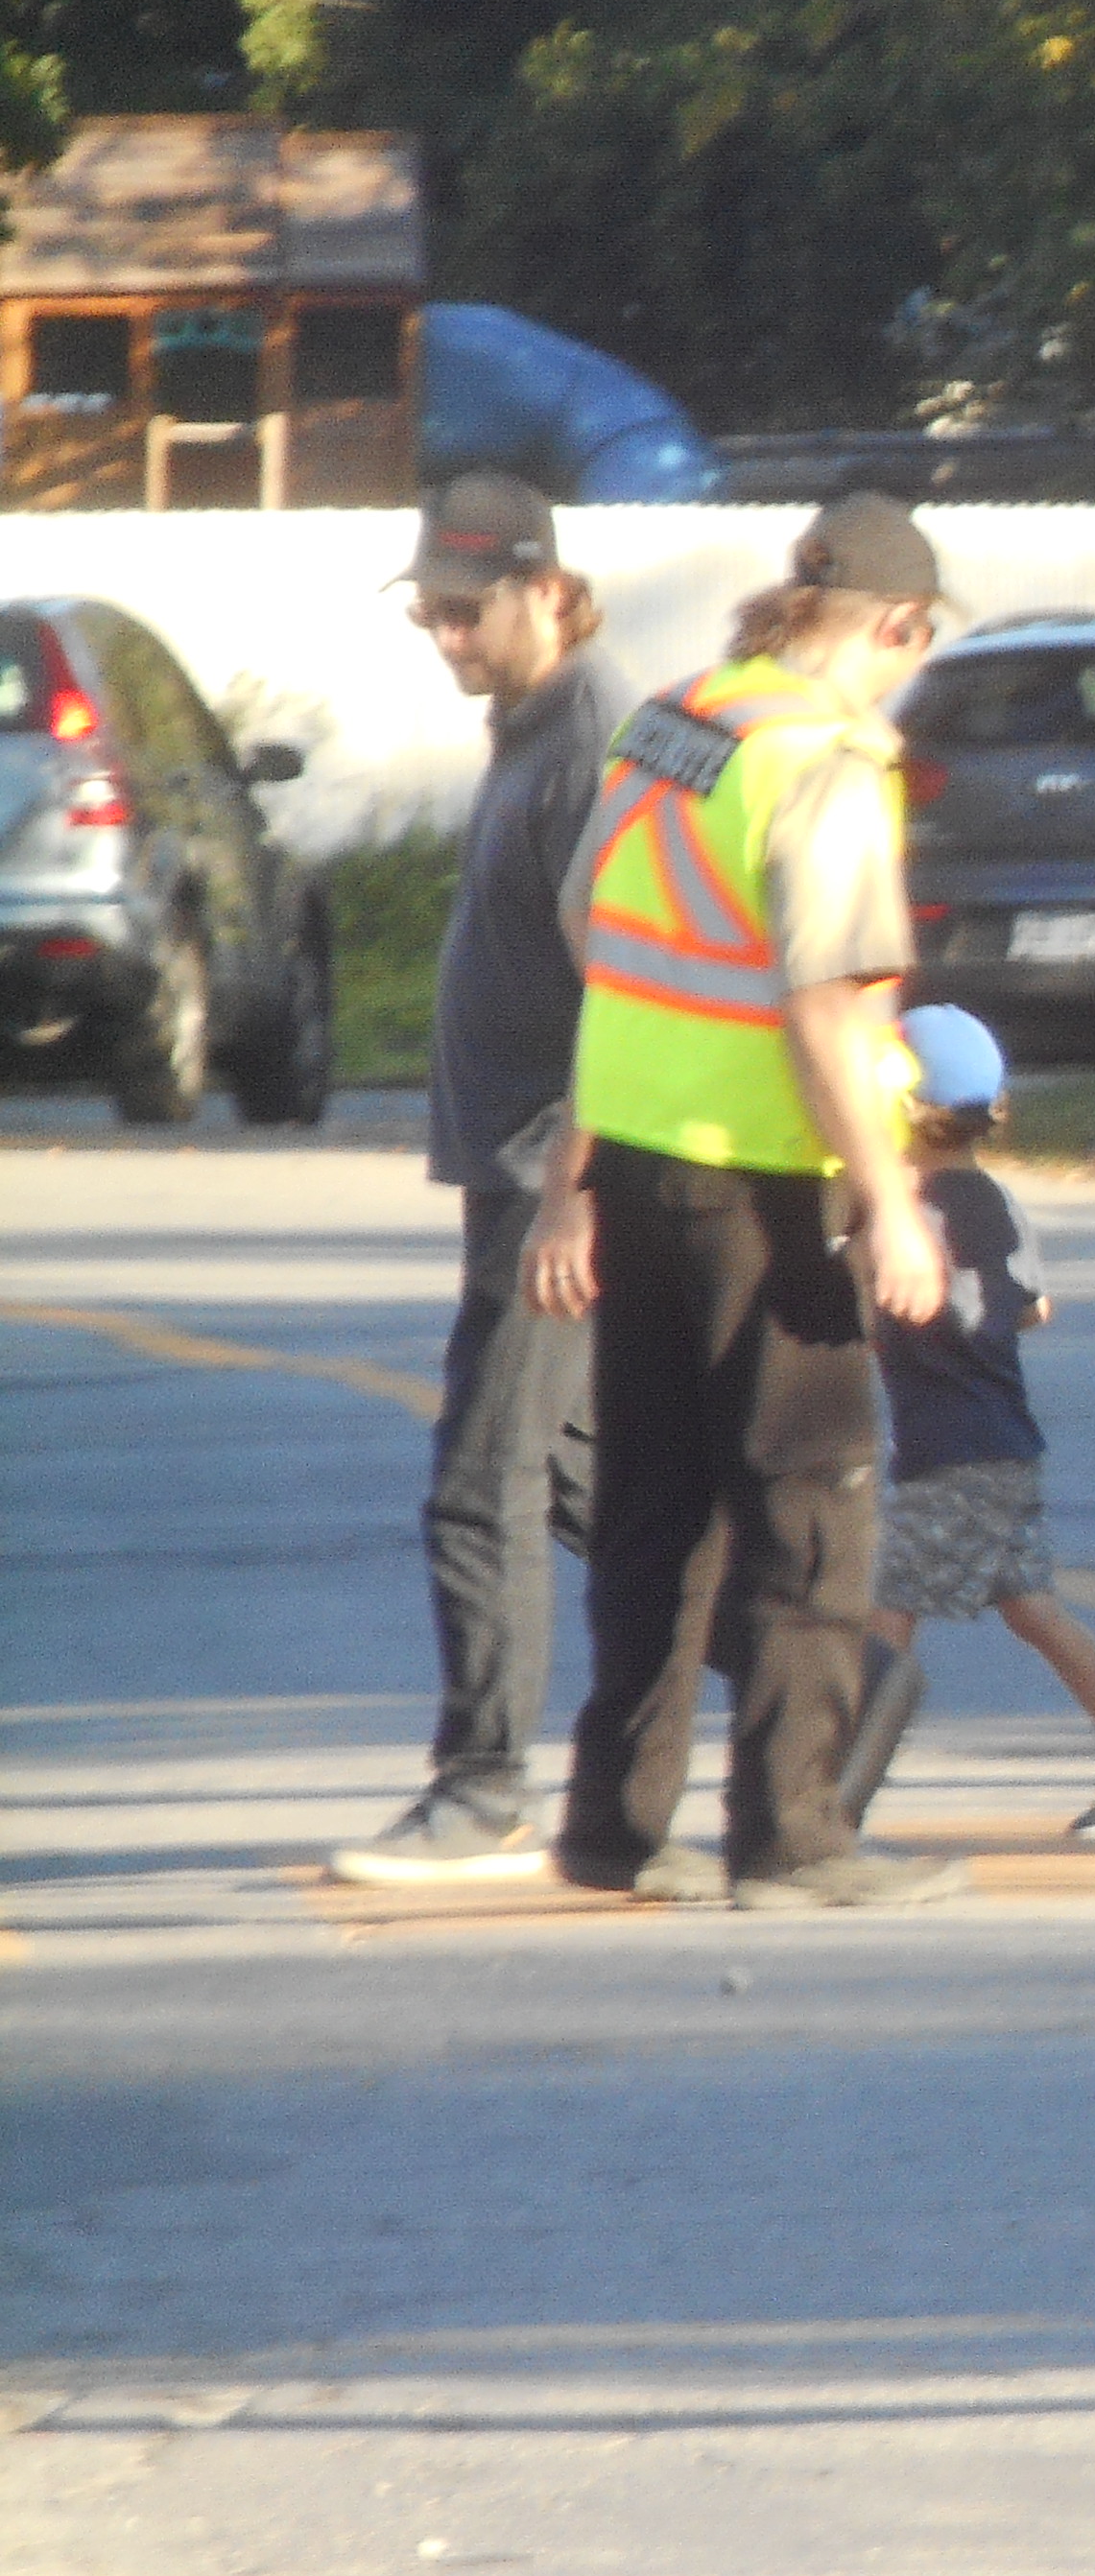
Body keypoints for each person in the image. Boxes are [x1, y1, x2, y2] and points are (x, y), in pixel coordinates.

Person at [523, 495, 962, 1912]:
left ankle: (611, 1827)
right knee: (808, 1509)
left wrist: (569, 1182)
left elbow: (602, 938)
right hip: (765, 1188)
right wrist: (890, 1205)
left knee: (654, 1510)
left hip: (641, 1167)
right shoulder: (826, 762)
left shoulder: (676, 720)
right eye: (916, 648)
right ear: (899, 626)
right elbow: (828, 1010)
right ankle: (795, 1840)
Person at [330, 474, 623, 1886]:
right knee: (591, 1489)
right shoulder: (527, 729)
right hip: (514, 1178)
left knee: (481, 1484)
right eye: (429, 614)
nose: (447, 638)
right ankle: (821, 1691)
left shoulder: (593, 741)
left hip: (550, 1183)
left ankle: (482, 1789)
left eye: (468, 610)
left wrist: (573, 1189)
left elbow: (629, 994)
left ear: (548, 593)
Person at [828, 1001, 1095, 1841]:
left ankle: (832, 1795)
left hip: (953, 1460)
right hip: (1003, 1444)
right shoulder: (995, 1201)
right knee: (1033, 1611)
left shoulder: (904, 1214)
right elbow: (1032, 1308)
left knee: (883, 1617)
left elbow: (878, 1295)